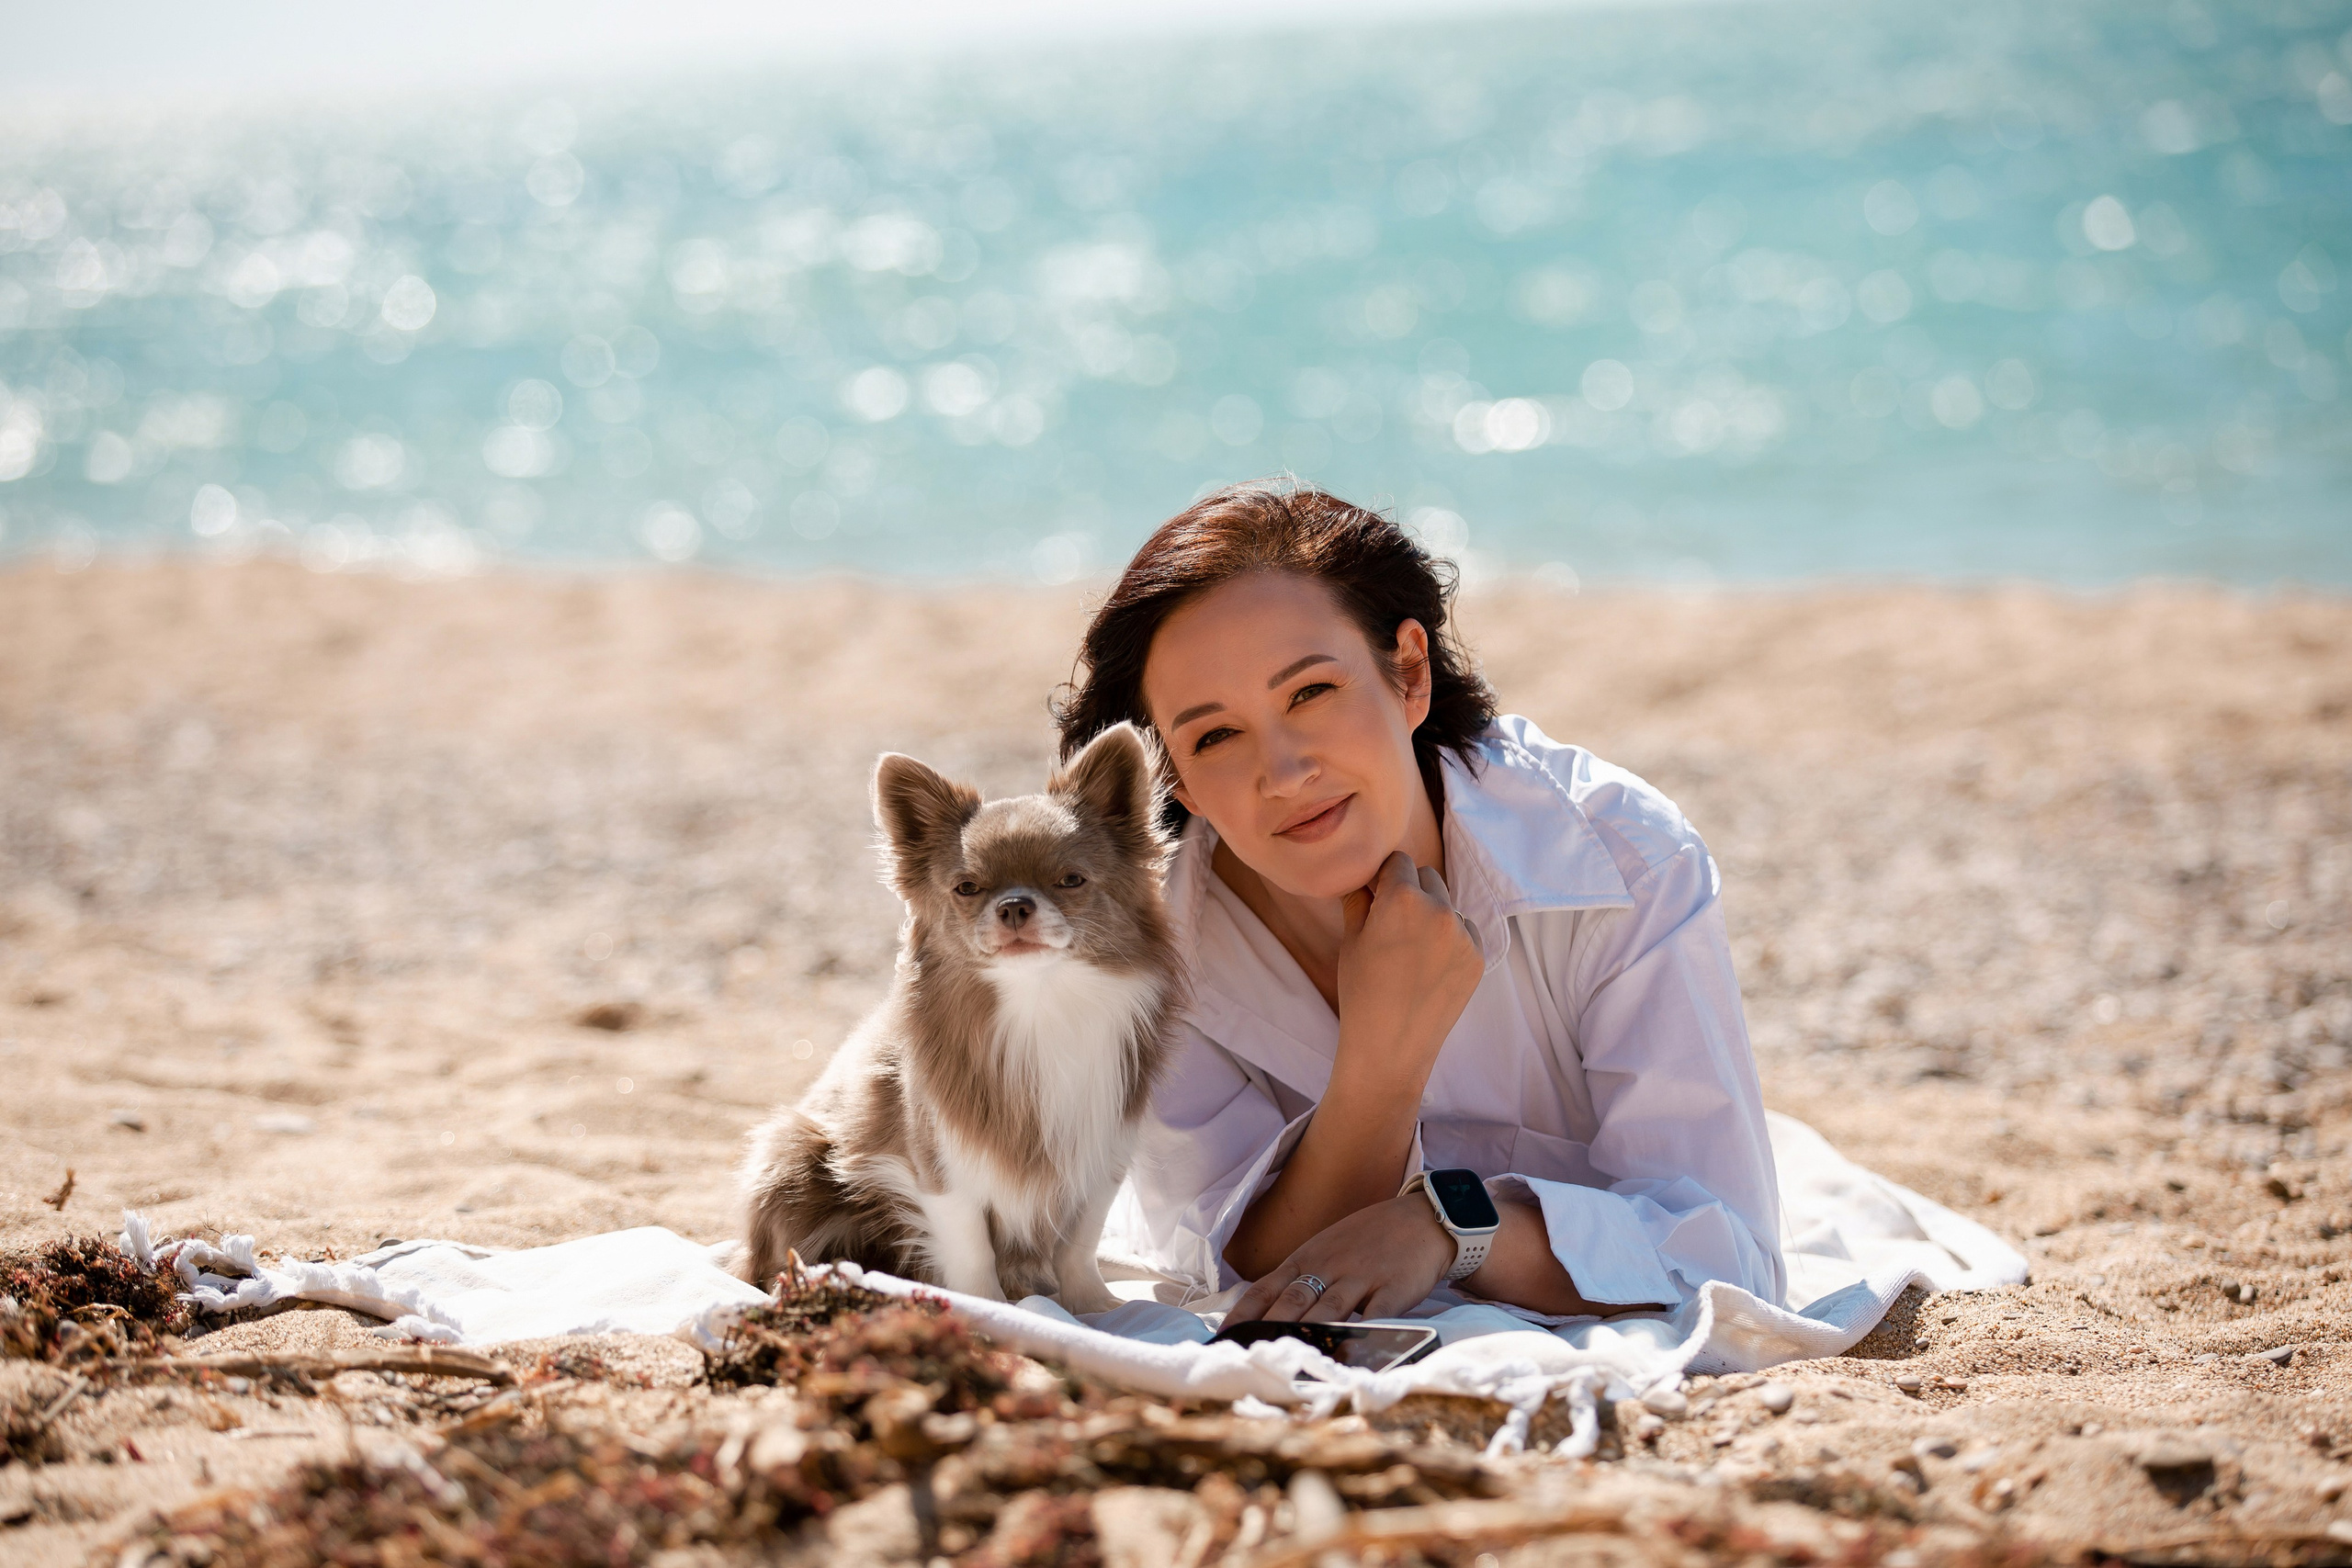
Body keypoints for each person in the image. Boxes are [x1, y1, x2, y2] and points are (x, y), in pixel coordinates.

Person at [1053, 482, 1783, 1328]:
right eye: (1216, 735)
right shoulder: (1147, 950)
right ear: (1174, 776)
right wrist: (1379, 1067)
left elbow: (1730, 1261)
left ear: (1407, 671)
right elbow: (1244, 1264)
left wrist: (1447, 1224)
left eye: (1311, 692)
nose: (1285, 773)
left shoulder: (1621, 858)